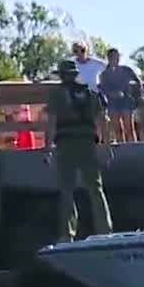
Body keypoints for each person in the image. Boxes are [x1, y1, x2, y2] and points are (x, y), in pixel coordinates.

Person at [45, 59, 113, 243]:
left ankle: (67, 234)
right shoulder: (90, 94)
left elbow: (51, 122)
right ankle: (105, 231)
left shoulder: (56, 94)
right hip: (88, 144)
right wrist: (105, 145)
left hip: (66, 145)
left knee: (67, 190)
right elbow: (103, 120)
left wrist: (47, 147)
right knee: (95, 189)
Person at [99, 48, 144, 142]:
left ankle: (133, 148)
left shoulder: (126, 70)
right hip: (112, 103)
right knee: (117, 129)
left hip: (126, 101)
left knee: (129, 128)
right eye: (112, 57)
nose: (115, 59)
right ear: (108, 58)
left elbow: (138, 82)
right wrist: (111, 93)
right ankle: (121, 149)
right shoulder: (104, 74)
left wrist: (139, 95)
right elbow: (102, 88)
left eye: (117, 56)